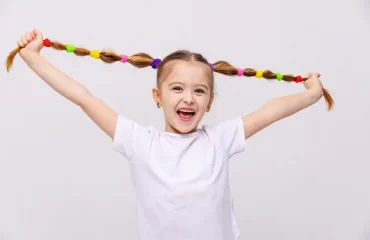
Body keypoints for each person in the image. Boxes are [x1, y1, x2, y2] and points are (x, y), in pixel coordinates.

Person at [9, 29, 333, 240]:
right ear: (157, 96)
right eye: (177, 88)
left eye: (200, 91)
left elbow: (271, 109)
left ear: (209, 102)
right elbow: (83, 97)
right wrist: (32, 56)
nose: (188, 98)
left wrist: (312, 94)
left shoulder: (219, 139)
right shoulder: (139, 141)